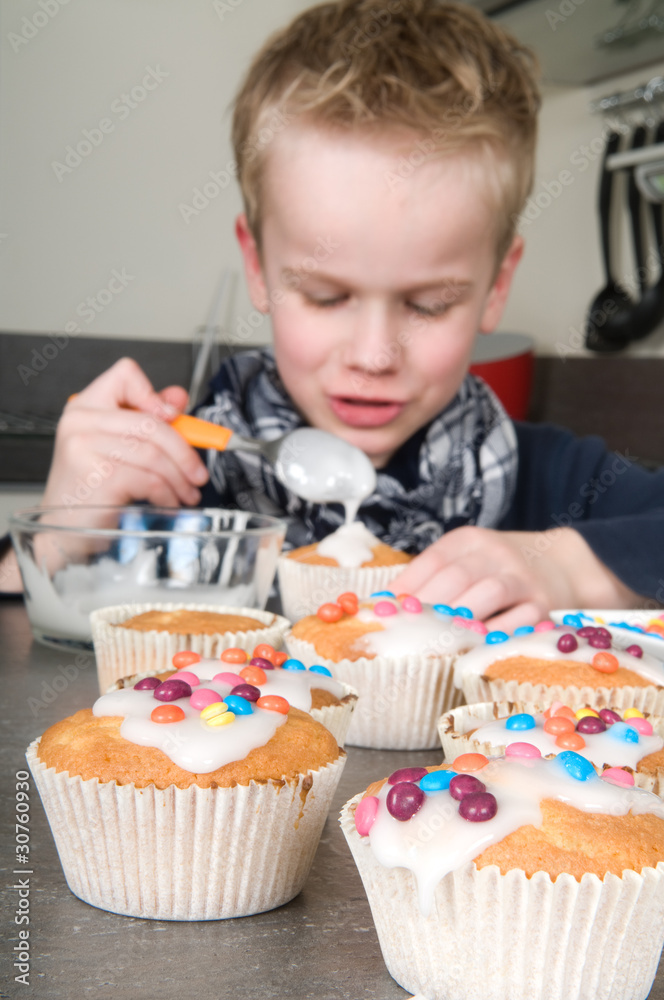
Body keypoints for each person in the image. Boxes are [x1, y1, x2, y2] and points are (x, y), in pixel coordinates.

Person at [3, 0, 663, 628]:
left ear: (496, 286)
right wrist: (60, 532)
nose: (374, 354)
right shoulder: (176, 478)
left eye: (428, 304)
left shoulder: (548, 479)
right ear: (258, 267)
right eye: (325, 296)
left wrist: (570, 567)